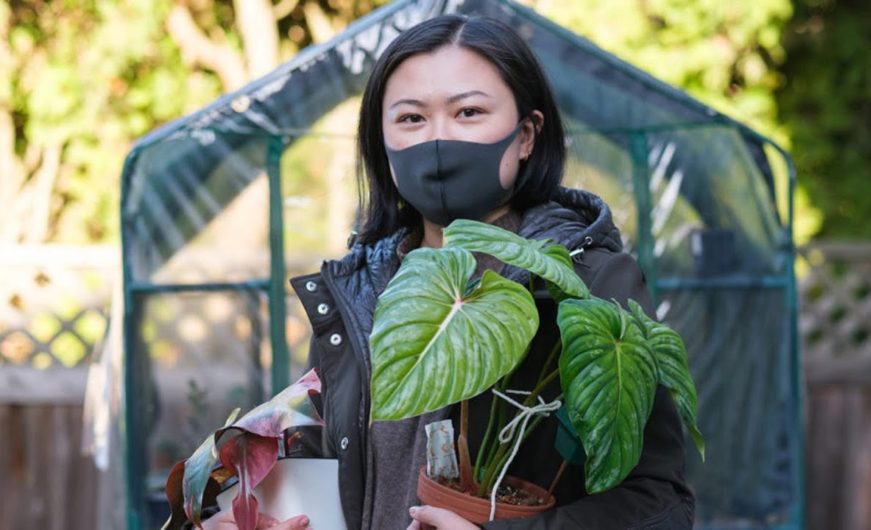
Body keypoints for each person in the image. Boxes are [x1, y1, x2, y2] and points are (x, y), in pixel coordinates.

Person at [205, 14, 693, 530]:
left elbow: (659, 503)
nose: (439, 140)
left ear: (526, 135)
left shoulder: (584, 280)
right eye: (412, 119)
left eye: (469, 112)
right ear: (381, 142)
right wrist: (261, 517)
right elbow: (322, 465)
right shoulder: (358, 288)